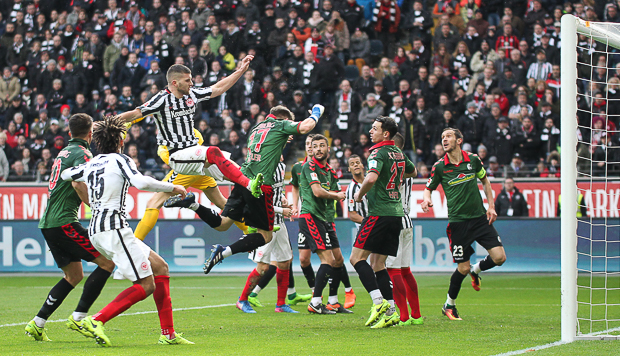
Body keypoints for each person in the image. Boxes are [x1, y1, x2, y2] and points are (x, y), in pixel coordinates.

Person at [60, 115, 192, 346]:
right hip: (113, 227)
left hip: (97, 229)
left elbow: (66, 175)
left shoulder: (91, 164)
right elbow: (140, 183)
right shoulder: (120, 160)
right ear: (120, 141)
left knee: (160, 267)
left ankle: (168, 334)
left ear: (97, 142)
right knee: (146, 284)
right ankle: (97, 319)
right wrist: (173, 187)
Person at [197, 104, 322, 276]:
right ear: (284, 119)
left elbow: (266, 147)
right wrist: (316, 111)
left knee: (223, 223)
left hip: (242, 180)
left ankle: (193, 205)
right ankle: (223, 252)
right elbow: (307, 126)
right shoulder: (280, 125)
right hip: (259, 186)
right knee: (266, 236)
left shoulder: (256, 127)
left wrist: (284, 137)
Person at [113, 60, 264, 199]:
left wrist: (240, 70)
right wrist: (106, 122)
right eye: (188, 80)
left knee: (238, 172)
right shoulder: (161, 99)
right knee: (213, 152)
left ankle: (261, 206)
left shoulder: (191, 94)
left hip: (194, 152)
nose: (192, 83)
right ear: (175, 83)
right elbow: (136, 113)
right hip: (178, 156)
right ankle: (250, 186)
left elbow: (218, 88)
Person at [25, 114, 116, 342]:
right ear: (90, 133)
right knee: (107, 262)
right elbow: (77, 183)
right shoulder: (83, 154)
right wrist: (96, 207)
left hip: (49, 223)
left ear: (69, 132)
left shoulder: (64, 152)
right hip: (64, 222)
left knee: (74, 275)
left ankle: (37, 323)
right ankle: (79, 317)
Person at [422, 127, 507, 321]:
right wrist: (426, 199)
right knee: (462, 268)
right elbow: (428, 188)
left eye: (448, 136)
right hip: (458, 223)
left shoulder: (473, 160)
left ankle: (476, 270)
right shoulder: (440, 166)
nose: (444, 139)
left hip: (479, 219)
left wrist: (491, 207)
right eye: (442, 137)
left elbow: (485, 181)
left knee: (500, 257)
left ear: (459, 140)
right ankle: (449, 305)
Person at [352, 116, 417, 328]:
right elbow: (413, 171)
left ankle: (377, 301)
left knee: (356, 259)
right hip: (397, 214)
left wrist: (360, 195)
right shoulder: (398, 153)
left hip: (379, 213)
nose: (371, 132)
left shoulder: (377, 153)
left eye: (374, 128)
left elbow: (370, 178)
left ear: (385, 134)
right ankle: (391, 312)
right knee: (378, 263)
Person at [297, 134, 349, 314]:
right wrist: (336, 195)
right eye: (315, 146)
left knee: (336, 260)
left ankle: (333, 300)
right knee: (326, 260)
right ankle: (316, 302)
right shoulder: (308, 166)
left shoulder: (330, 171)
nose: (318, 149)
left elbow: (338, 191)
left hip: (324, 219)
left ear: (328, 149)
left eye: (321, 146)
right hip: (310, 216)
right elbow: (318, 192)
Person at [386, 133, 423, 326]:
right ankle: (416, 315)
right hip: (407, 219)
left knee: (393, 271)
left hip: (394, 219)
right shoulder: (408, 166)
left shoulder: (394, 166)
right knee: (406, 270)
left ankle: (403, 316)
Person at [345, 154, 368, 232]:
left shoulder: (370, 181)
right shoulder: (351, 189)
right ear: (349, 169)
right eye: (352, 164)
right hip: (366, 229)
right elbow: (353, 215)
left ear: (362, 165)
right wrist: (370, 223)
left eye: (357, 162)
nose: (355, 165)